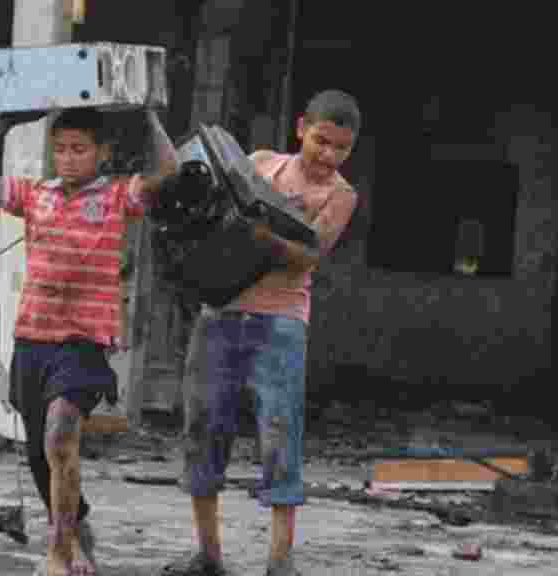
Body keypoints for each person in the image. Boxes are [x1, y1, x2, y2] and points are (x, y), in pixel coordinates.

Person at [0, 107, 177, 576]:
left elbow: (169, 175)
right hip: (33, 336)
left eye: (79, 150)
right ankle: (79, 536)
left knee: (60, 434)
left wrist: (149, 116)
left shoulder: (119, 196)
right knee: (41, 453)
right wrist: (4, 124)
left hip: (84, 341)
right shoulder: (34, 194)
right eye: (60, 150)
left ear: (102, 153)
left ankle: (58, 551)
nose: (69, 159)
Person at [163, 89, 361, 576]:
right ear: (301, 128)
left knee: (279, 434)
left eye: (341, 148)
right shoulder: (260, 163)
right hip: (220, 312)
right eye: (321, 141)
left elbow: (308, 258)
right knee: (203, 431)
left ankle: (280, 562)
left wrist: (261, 236)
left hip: (282, 320)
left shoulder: (341, 195)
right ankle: (208, 556)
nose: (328, 155)